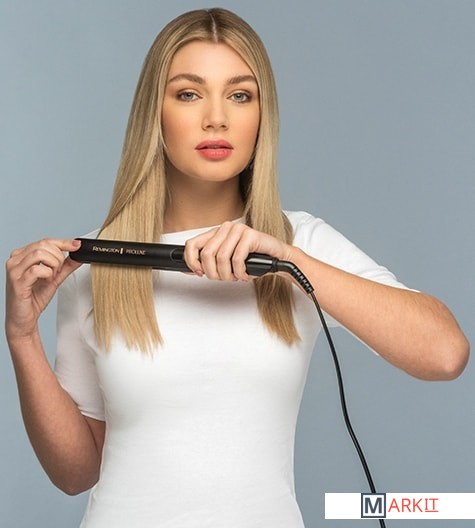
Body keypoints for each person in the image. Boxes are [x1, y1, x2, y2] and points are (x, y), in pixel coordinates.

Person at [5, 7, 469, 528]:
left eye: (240, 95)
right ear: (154, 113)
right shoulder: (96, 261)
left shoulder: (298, 246)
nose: (216, 118)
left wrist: (290, 261)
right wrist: (22, 337)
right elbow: (75, 473)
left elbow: (445, 353)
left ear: (261, 116)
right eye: (189, 94)